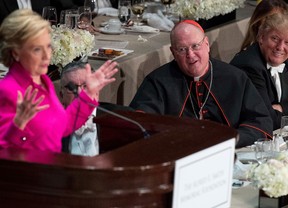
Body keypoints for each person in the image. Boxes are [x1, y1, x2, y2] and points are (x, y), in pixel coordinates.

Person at [129, 19, 273, 148]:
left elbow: (260, 121)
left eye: (195, 46)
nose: (190, 55)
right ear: (173, 52)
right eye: (182, 49)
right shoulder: (157, 82)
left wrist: (231, 139)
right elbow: (139, 124)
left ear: (207, 44)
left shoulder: (234, 77)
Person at [0, 9, 118, 153]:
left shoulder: (44, 81)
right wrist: (18, 126)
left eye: (48, 46)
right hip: (29, 173)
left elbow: (62, 127)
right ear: (16, 52)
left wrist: (87, 94)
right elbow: (5, 153)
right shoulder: (7, 90)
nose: (46, 56)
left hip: (53, 169)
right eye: (37, 49)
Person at [59, 61, 134, 156]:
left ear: (97, 91)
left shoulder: (122, 118)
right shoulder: (52, 126)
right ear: (61, 96)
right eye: (71, 87)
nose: (79, 92)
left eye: (86, 86)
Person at [230, 12, 288, 130]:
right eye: (275, 38)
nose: (280, 47)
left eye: (287, 42)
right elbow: (268, 119)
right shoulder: (249, 66)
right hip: (245, 139)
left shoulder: (285, 61)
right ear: (261, 37)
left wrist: (282, 108)